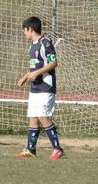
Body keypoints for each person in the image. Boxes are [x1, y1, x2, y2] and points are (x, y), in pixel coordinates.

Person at [16, 16, 64, 160]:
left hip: (45, 86)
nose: (24, 33)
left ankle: (57, 148)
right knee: (33, 118)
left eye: (25, 30)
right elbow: (35, 66)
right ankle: (30, 149)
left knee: (43, 117)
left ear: (30, 29)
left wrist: (36, 73)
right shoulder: (33, 45)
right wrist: (25, 77)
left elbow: (53, 63)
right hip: (35, 88)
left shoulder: (45, 42)